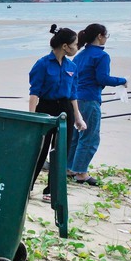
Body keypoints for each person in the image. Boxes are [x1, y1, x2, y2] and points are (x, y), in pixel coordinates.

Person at [29, 24, 87, 202]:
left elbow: (73, 94)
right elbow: (34, 92)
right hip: (45, 108)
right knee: (39, 150)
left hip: (65, 110)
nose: (77, 48)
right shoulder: (42, 64)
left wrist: (78, 117)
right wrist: (32, 117)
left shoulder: (72, 66)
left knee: (61, 150)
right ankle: (27, 185)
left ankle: (51, 190)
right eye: (76, 44)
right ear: (65, 46)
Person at [68, 24, 127, 186]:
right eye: (106, 35)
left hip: (75, 99)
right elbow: (103, 79)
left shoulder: (80, 55)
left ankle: (69, 168)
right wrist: (122, 81)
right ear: (100, 36)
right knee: (90, 137)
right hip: (90, 99)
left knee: (75, 136)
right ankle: (81, 173)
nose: (106, 38)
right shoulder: (102, 56)